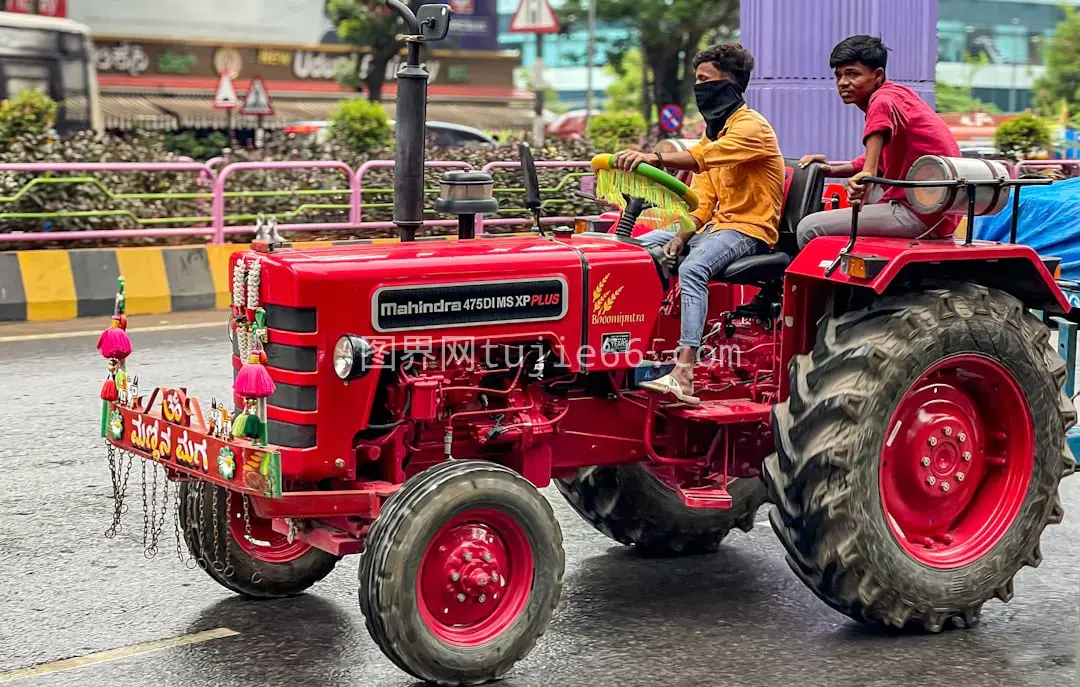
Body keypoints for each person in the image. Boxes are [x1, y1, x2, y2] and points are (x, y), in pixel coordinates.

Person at [611, 43, 785, 405]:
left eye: (705, 80)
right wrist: (683, 232)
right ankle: (629, 348)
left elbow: (704, 160)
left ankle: (684, 370)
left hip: (749, 229)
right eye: (696, 80)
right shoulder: (713, 131)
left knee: (693, 267)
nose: (699, 87)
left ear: (730, 84)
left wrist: (655, 157)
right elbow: (702, 196)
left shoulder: (752, 128)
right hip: (715, 226)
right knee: (630, 248)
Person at [796, 35, 962, 249]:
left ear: (878, 75)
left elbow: (870, 165)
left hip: (922, 213)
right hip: (930, 207)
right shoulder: (898, 95)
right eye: (838, 75)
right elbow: (873, 160)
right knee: (849, 183)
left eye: (852, 74)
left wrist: (867, 174)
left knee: (808, 228)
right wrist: (828, 168)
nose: (843, 82)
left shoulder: (882, 101)